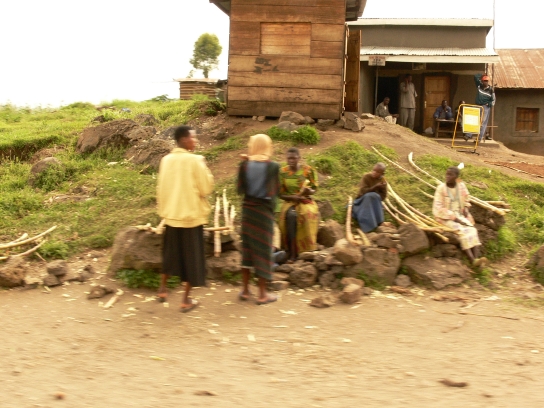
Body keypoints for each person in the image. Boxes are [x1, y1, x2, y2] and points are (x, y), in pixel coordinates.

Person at [156, 125, 214, 313]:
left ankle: (162, 289)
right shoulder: (195, 160)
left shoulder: (166, 160)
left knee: (170, 255)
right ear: (184, 140)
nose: (195, 141)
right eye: (193, 138)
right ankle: (186, 300)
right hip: (191, 217)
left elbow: (161, 187)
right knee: (191, 260)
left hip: (171, 215)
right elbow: (206, 188)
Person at [237, 134, 280, 305]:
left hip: (247, 211)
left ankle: (245, 290)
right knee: (263, 251)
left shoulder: (244, 165)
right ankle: (262, 294)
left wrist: (248, 161)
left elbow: (240, 189)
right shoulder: (273, 166)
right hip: (263, 213)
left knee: (247, 250)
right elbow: (275, 191)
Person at [432, 166, 487, 267]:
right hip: (445, 218)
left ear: (456, 177)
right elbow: (438, 208)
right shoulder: (441, 189)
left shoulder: (461, 186)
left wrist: (466, 208)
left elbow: (467, 198)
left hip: (459, 215)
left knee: (472, 230)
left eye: (450, 175)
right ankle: (472, 260)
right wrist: (454, 218)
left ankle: (477, 260)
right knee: (462, 232)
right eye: (447, 174)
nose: (447, 176)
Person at [278, 147, 319, 262]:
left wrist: (308, 191)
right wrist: (293, 197)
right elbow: (279, 194)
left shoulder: (308, 170)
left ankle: (308, 249)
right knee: (291, 216)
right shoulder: (282, 172)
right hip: (289, 201)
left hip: (305, 200)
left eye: (294, 158)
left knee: (306, 214)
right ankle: (292, 252)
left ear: (299, 158)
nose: (291, 161)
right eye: (289, 158)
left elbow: (314, 189)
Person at [352, 163, 387, 233]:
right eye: (374, 170)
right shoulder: (366, 177)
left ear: (382, 174)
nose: (374, 172)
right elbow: (363, 191)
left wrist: (379, 192)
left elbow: (383, 197)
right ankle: (367, 225)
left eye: (377, 172)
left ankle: (378, 222)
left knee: (374, 196)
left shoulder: (383, 181)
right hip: (362, 200)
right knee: (369, 196)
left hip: (373, 202)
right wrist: (375, 187)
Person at [467, 74, 495, 143]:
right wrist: (482, 75)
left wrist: (488, 104)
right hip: (478, 105)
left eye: (487, 81)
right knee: (474, 120)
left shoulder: (491, 90)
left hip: (485, 107)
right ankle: (468, 135)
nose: (486, 82)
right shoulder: (479, 86)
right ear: (482, 81)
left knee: (482, 122)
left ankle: (479, 138)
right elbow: (475, 77)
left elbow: (493, 100)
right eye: (484, 81)